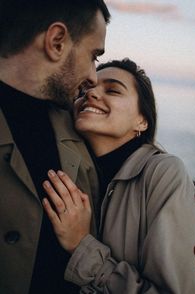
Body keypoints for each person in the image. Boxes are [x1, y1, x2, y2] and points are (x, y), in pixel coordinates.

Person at [43, 58, 195, 293]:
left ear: (142, 121)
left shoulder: (165, 171)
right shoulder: (82, 171)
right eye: (84, 90)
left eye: (112, 89)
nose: (91, 94)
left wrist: (82, 246)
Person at [0, 1, 110, 294]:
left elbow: (132, 165)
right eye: (93, 56)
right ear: (56, 41)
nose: (93, 77)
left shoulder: (79, 122)